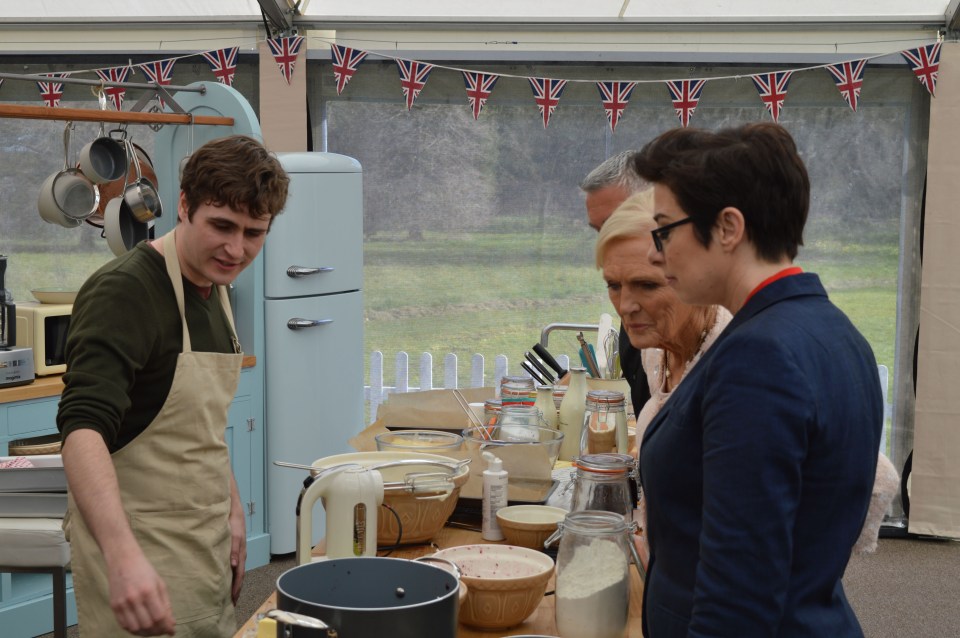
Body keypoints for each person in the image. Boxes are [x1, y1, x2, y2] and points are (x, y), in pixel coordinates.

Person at [633, 122, 882, 637]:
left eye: (664, 230)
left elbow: (738, 598)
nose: (656, 253)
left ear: (728, 227)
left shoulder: (758, 357)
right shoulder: (835, 332)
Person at [57, 135, 290, 637]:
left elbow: (202, 421)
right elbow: (81, 432)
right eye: (222, 226)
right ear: (184, 206)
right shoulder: (126, 291)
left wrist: (232, 508)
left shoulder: (215, 287)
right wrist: (122, 560)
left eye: (254, 233)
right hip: (136, 542)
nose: (236, 249)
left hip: (201, 535)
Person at [580, 151, 651, 414]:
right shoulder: (634, 319)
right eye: (599, 232)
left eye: (616, 225)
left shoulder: (707, 316)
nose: (605, 245)